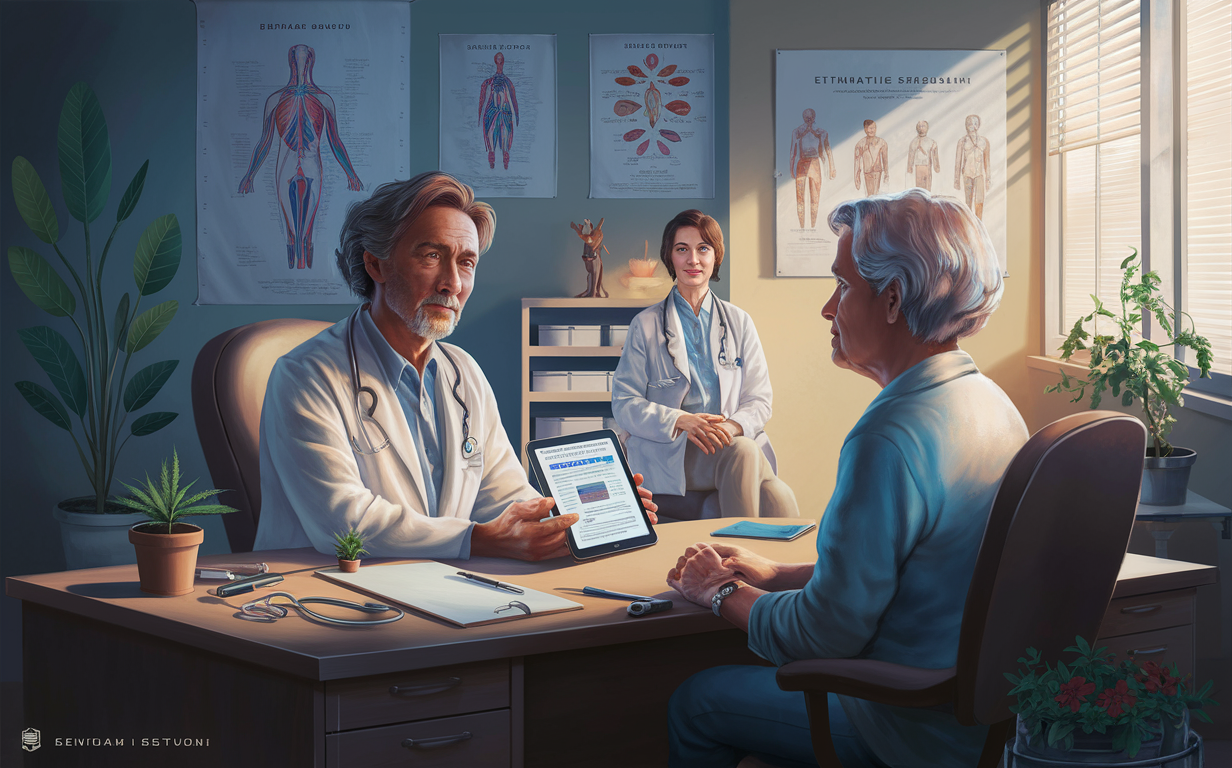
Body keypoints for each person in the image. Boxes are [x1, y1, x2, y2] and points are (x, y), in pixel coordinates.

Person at [665, 189, 1028, 768]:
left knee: (695, 702)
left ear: (891, 298)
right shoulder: (992, 403)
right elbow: (918, 570)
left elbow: (820, 637)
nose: (829, 309)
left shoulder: (888, 437)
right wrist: (780, 574)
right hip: (978, 720)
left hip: (902, 722)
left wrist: (720, 591)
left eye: (841, 285)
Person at [254, 171, 655, 560]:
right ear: (376, 265)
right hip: (329, 596)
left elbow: (504, 494)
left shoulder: (462, 372)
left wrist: (584, 514)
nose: (452, 283)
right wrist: (480, 541)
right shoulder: (305, 376)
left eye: (466, 263)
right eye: (431, 256)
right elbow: (344, 522)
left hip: (441, 590)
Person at [612, 210, 798, 519]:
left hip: (728, 442)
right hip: (675, 451)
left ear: (716, 256)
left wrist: (729, 427)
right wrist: (680, 420)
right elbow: (624, 404)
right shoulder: (645, 325)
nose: (693, 260)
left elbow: (759, 399)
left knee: (777, 496)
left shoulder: (739, 322)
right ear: (670, 257)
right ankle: (745, 561)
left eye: (703, 248)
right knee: (751, 461)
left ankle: (756, 562)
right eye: (682, 249)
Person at [789, 108, 836, 228]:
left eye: (810, 117)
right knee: (800, 197)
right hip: (802, 163)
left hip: (815, 163)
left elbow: (827, 149)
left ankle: (813, 226)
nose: (808, 120)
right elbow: (793, 151)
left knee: (815, 197)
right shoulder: (797, 131)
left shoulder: (821, 132)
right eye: (806, 117)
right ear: (803, 118)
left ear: (814, 117)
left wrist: (832, 167)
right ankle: (801, 226)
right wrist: (791, 167)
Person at [954, 114, 991, 220]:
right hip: (967, 175)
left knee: (979, 201)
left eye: (974, 122)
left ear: (978, 125)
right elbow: (958, 162)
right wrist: (956, 180)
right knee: (968, 202)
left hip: (979, 175)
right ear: (966, 125)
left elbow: (987, 162)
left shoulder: (984, 141)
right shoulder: (962, 141)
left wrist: (988, 179)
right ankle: (969, 223)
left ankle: (979, 223)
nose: (971, 124)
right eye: (969, 122)